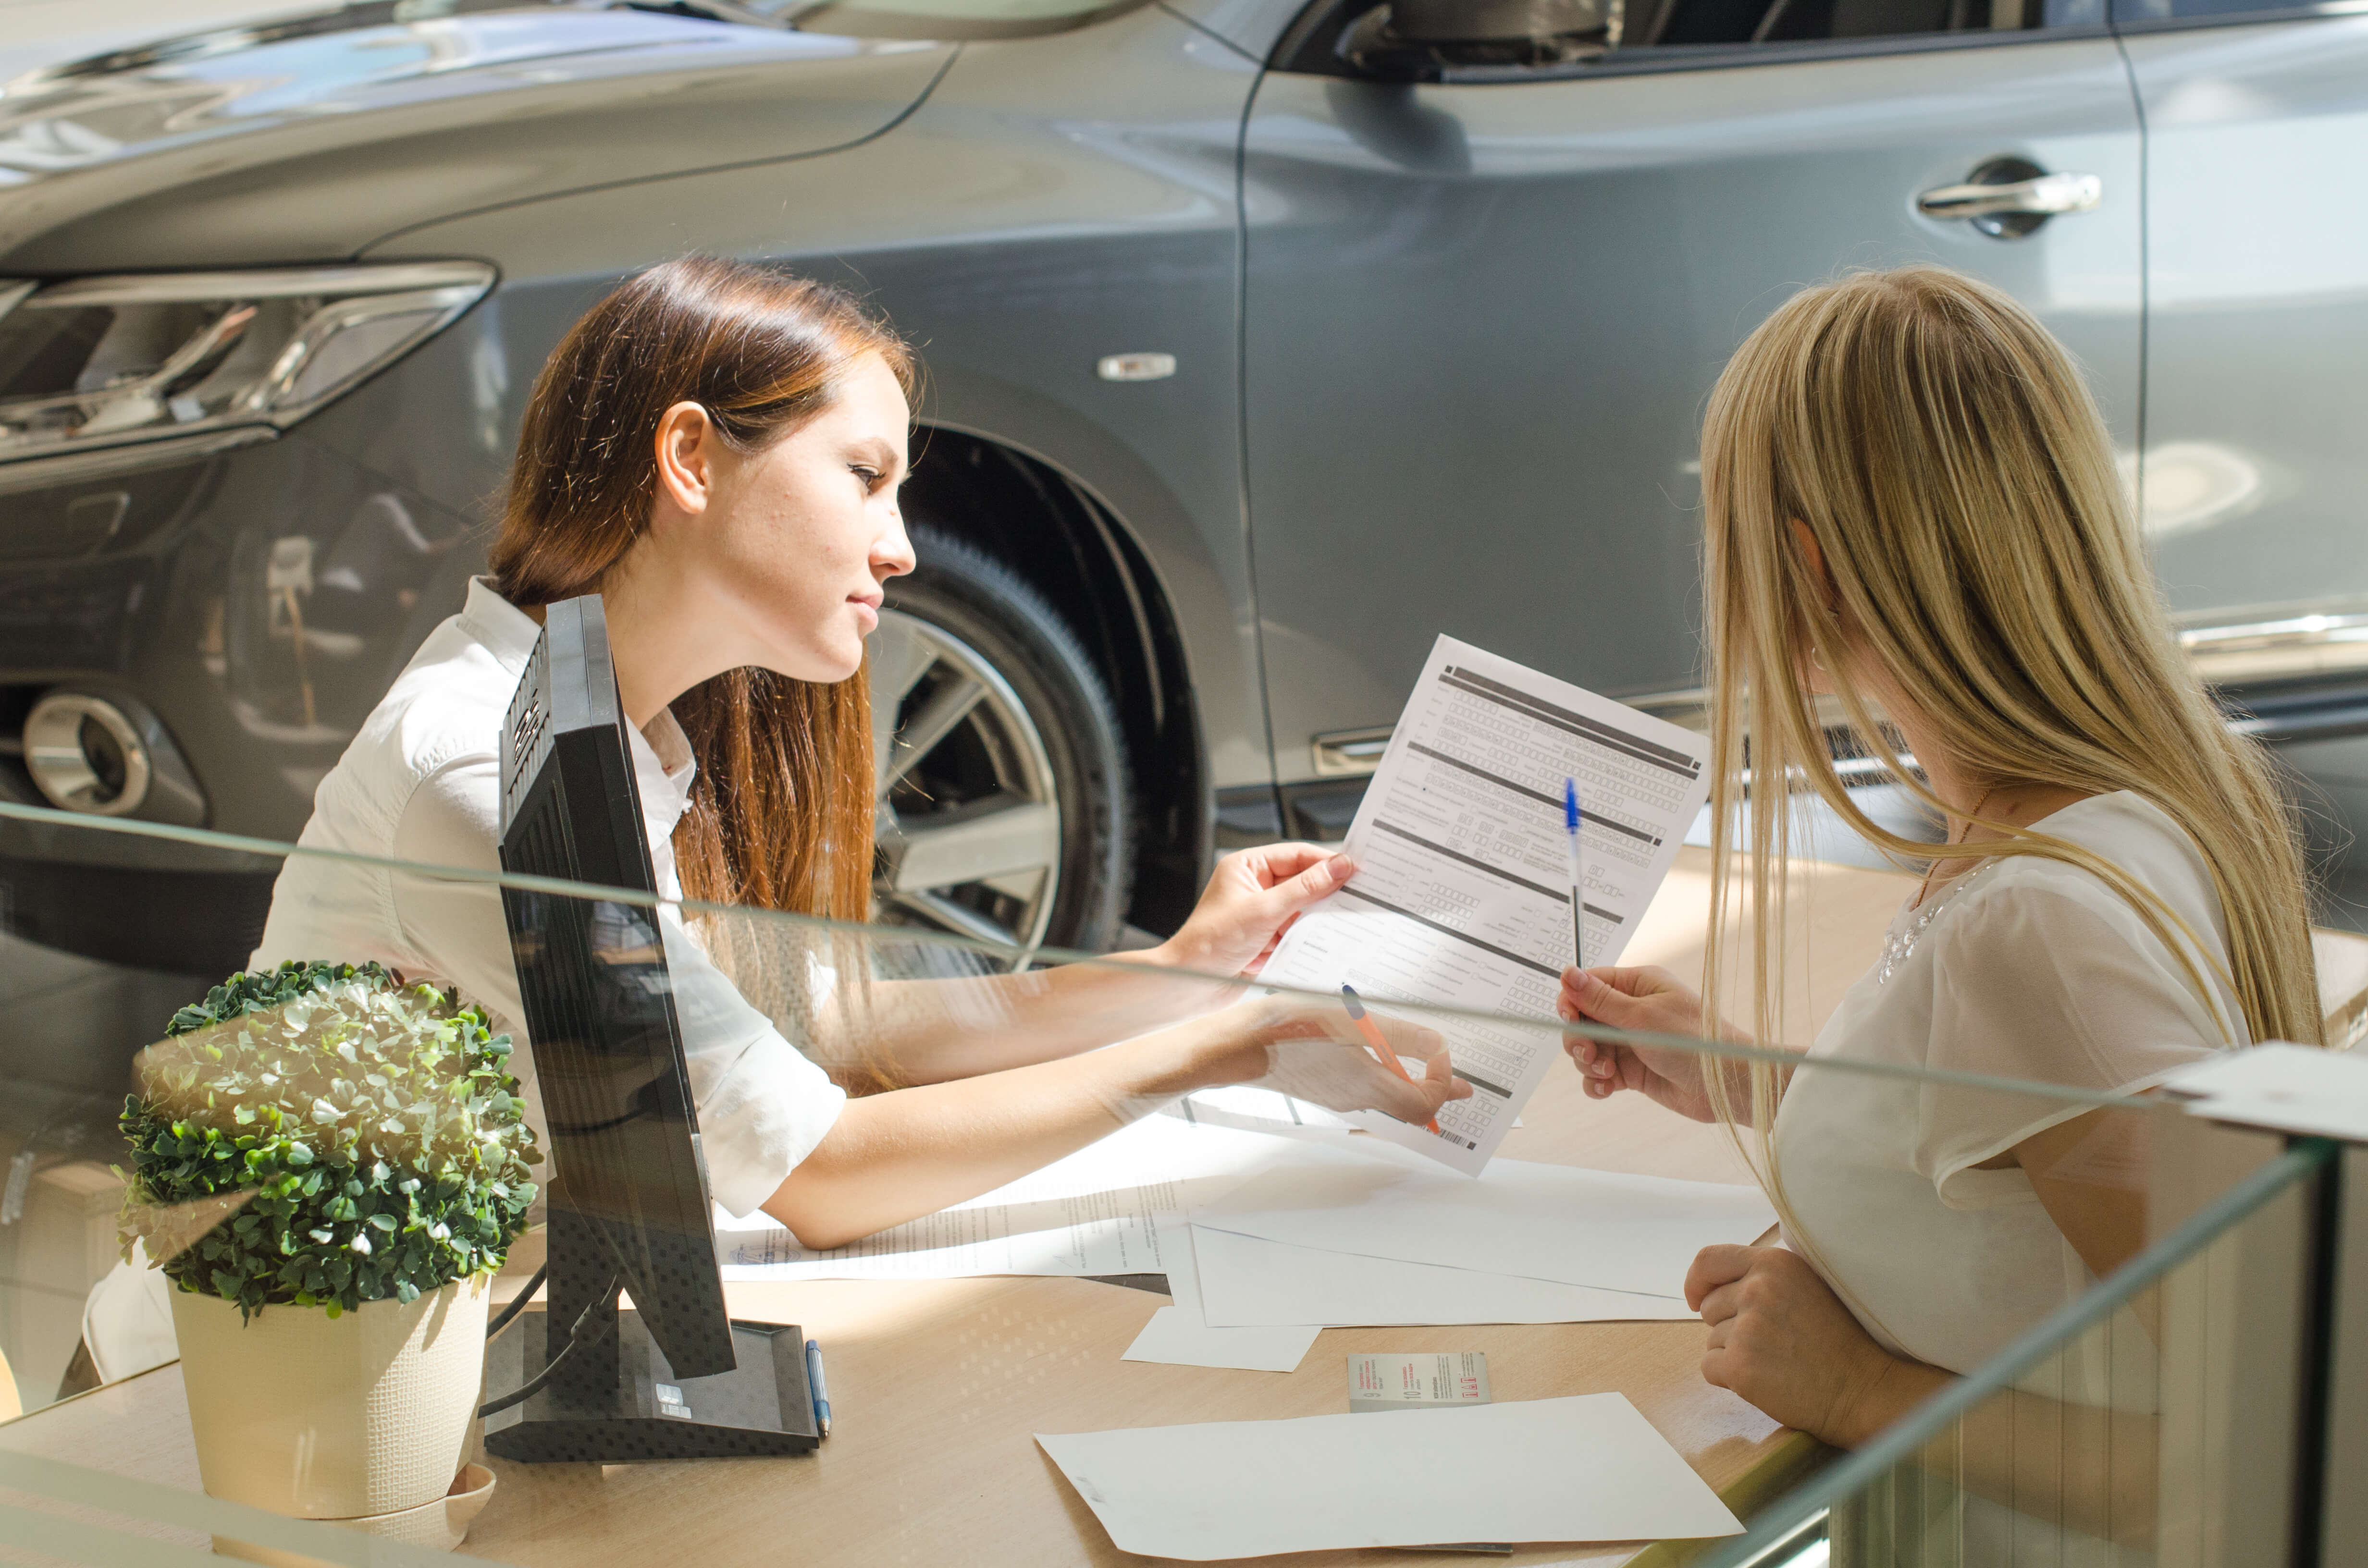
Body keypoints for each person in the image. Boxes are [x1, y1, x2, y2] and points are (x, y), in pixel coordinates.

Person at [253, 256, 1466, 1250]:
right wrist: (1234, 1047)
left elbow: (839, 1021)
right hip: (265, 1414)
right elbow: (820, 1176)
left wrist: (1184, 973)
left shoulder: (612, 725)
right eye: (864, 478)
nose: (901, 549)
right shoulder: (483, 772)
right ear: (689, 461)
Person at [1555, 266, 2320, 1460]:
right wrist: (1758, 1079)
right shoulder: (2126, 801)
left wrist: (1853, 1390)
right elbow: (2024, 1146)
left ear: (1807, 569)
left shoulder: (2034, 925)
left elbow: (2273, 1456)